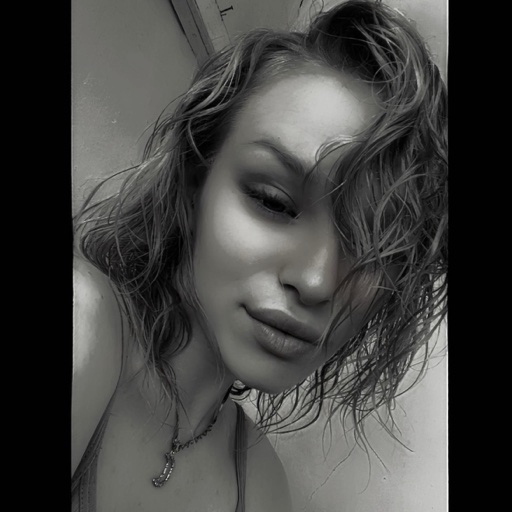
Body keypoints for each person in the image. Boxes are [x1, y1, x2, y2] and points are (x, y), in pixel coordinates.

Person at [72, 0, 448, 510]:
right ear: (194, 181)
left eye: (372, 247)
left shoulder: (261, 485)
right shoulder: (82, 322)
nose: (316, 281)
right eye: (273, 201)